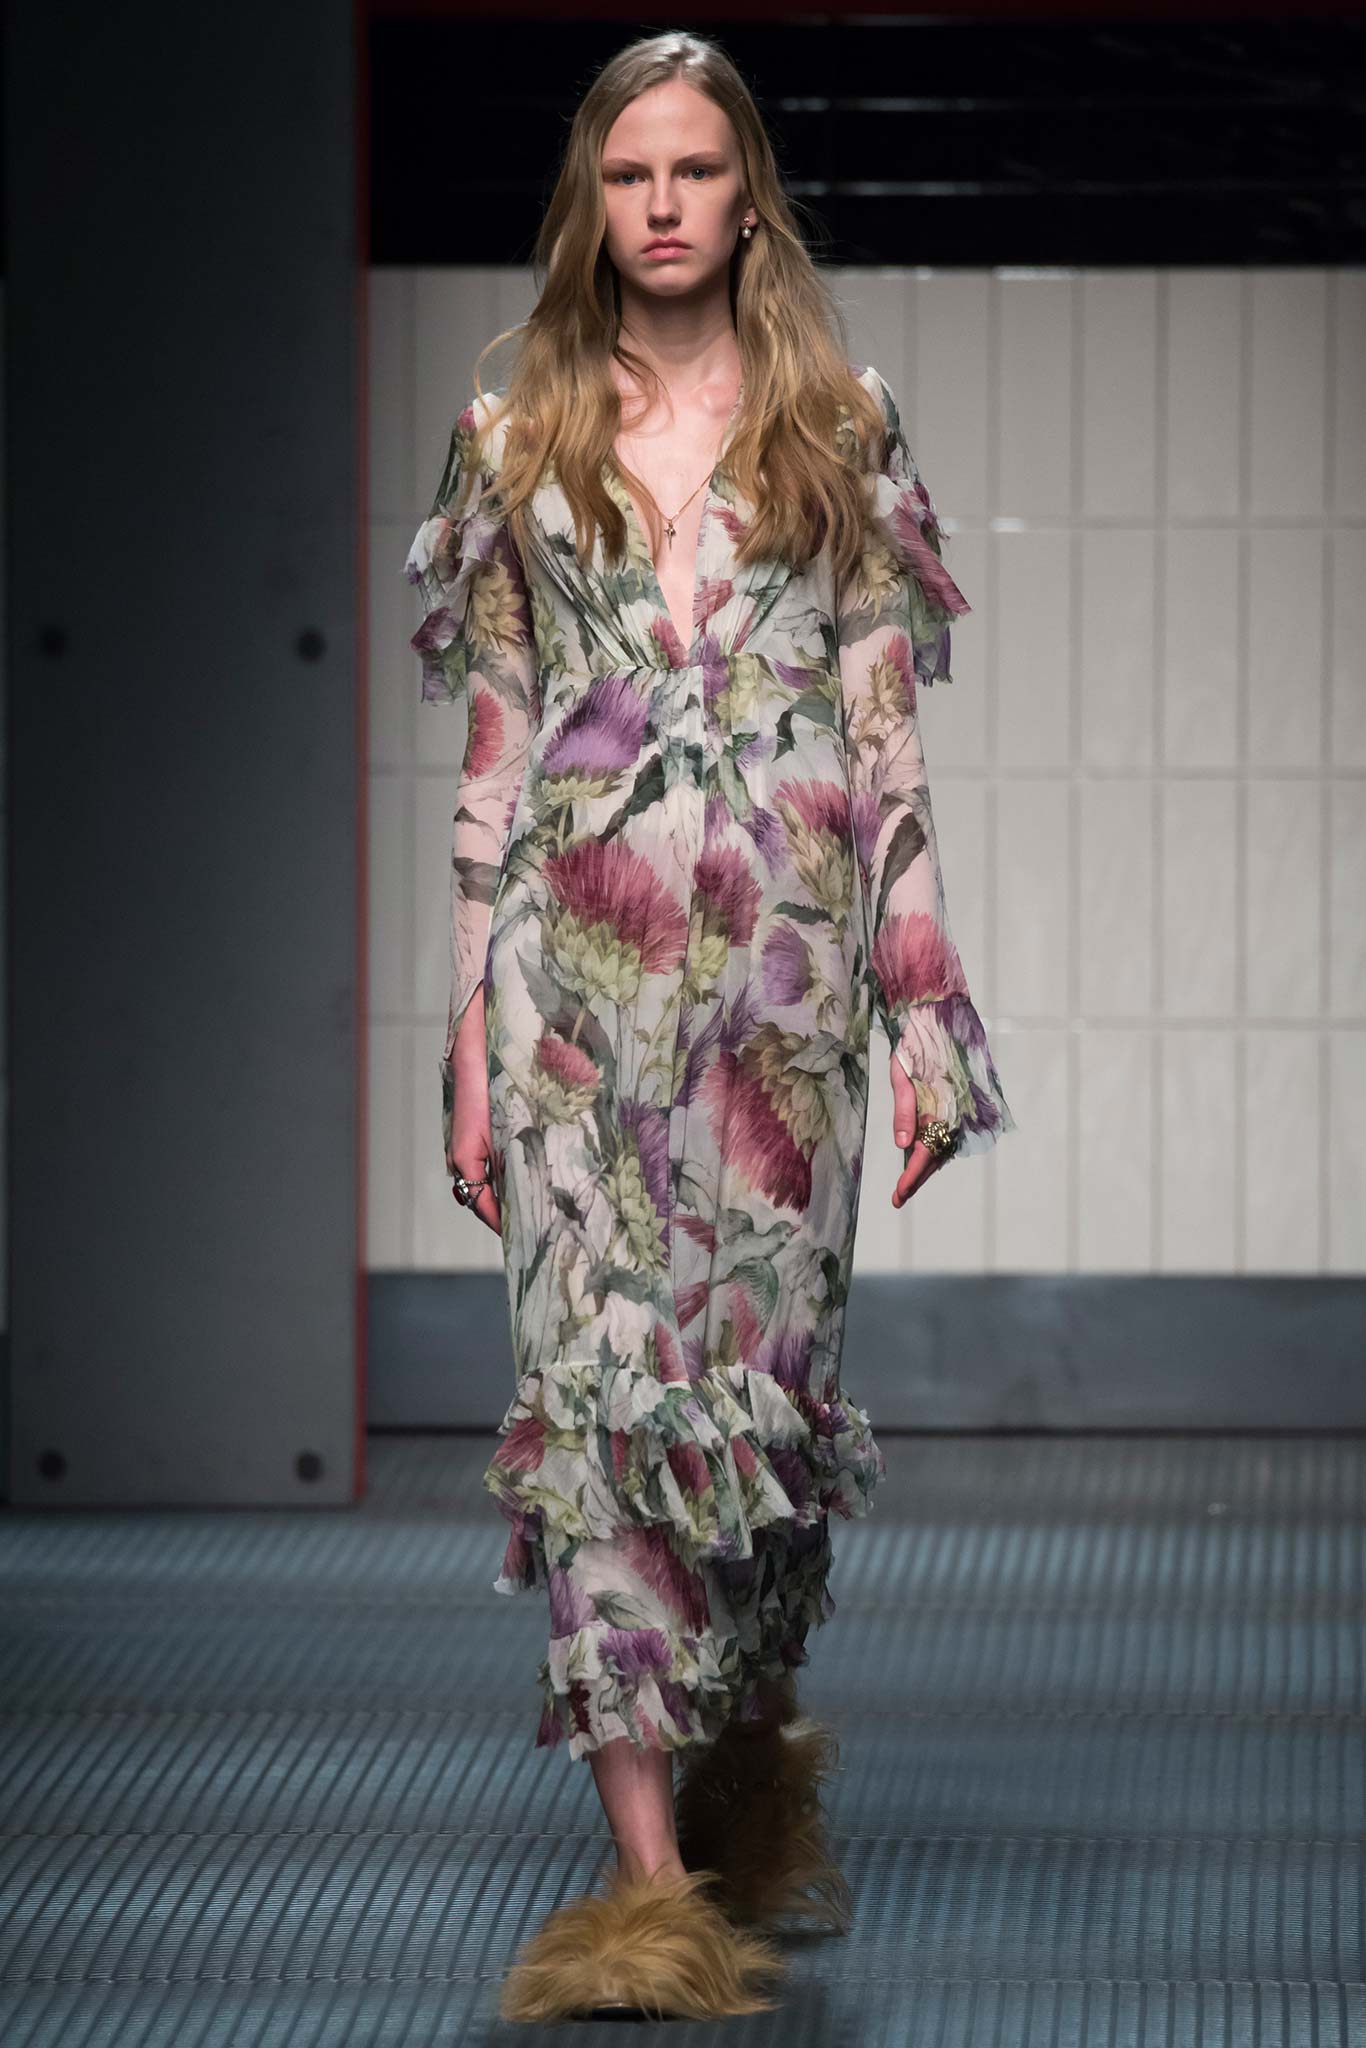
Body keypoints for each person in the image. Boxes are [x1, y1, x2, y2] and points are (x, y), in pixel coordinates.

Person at [404, 27, 1015, 2023]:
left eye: (691, 169)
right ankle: (647, 1884)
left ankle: (748, 1768)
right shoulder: (511, 429)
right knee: (593, 1412)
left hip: (782, 1001)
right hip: (569, 1002)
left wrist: (923, 1013)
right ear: (588, 202)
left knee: (757, 1413)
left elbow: (883, 735)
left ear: (746, 192)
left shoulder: (837, 421)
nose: (659, 204)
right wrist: (464, 1026)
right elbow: (493, 754)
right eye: (625, 174)